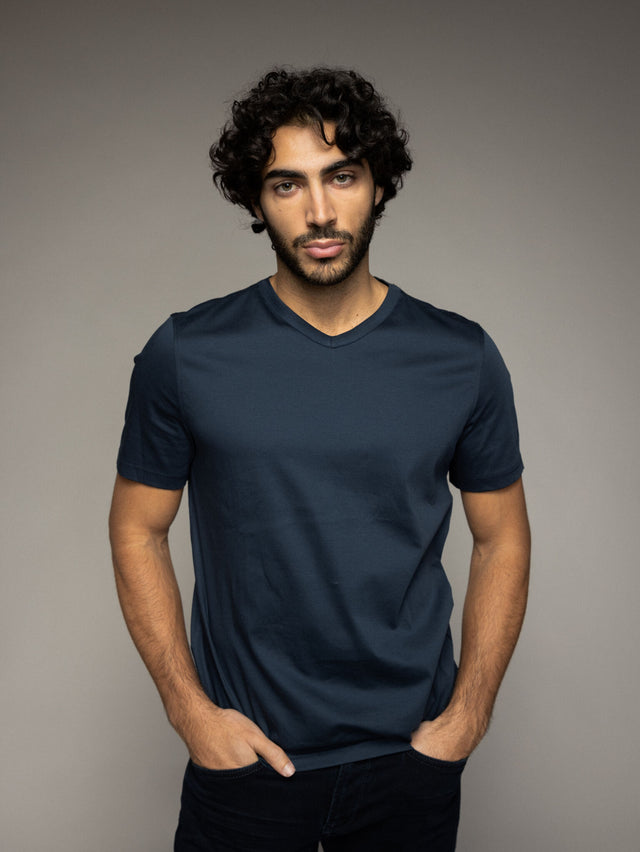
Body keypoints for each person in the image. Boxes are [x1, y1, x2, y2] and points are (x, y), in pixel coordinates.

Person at [109, 67, 530, 852]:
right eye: (287, 184)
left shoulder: (460, 356)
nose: (320, 211)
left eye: (342, 176)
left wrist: (467, 717)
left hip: (409, 765)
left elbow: (501, 537)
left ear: (378, 184)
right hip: (247, 767)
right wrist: (190, 713)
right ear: (256, 200)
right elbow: (137, 529)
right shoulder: (187, 353)